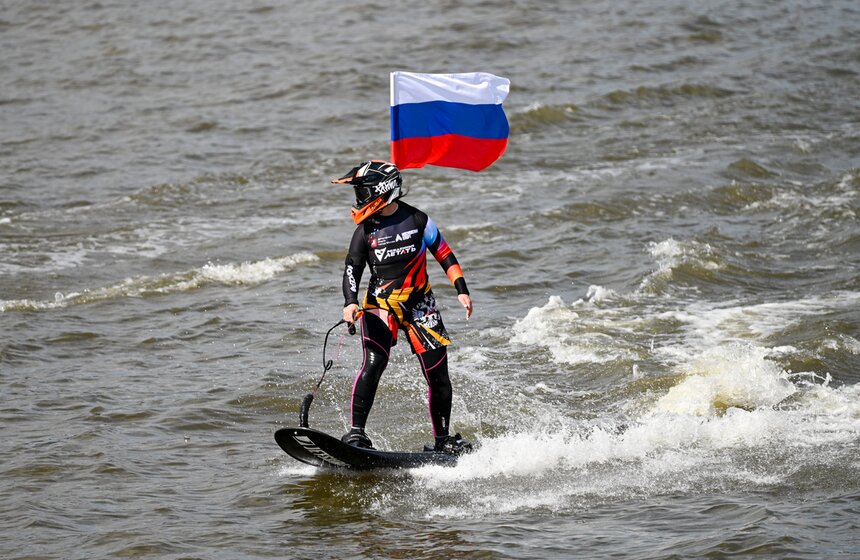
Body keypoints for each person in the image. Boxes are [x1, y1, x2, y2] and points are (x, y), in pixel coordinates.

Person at [332, 160, 474, 455]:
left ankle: (443, 441)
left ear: (383, 191)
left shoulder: (418, 220)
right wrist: (349, 302)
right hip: (380, 305)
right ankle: (357, 434)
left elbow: (445, 254)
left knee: (438, 374)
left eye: (364, 192)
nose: (359, 200)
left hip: (421, 305)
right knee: (374, 362)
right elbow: (352, 268)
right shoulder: (364, 230)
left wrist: (462, 290)